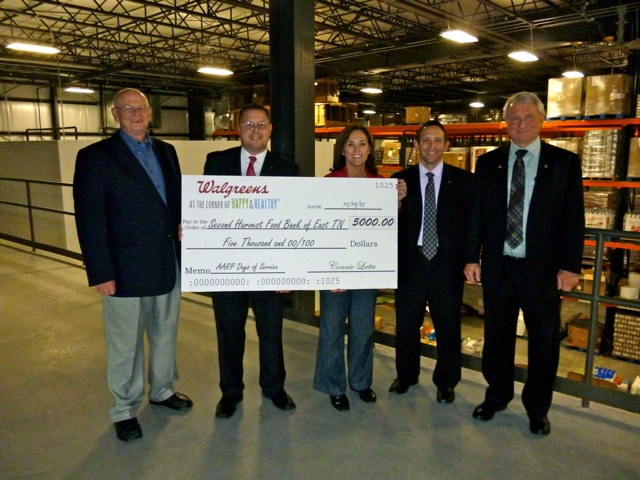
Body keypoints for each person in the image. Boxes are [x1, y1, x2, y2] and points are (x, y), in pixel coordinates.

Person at [73, 88, 192, 442]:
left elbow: (175, 203)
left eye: (141, 108)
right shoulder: (95, 157)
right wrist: (101, 272)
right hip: (123, 268)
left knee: (165, 332)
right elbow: (90, 219)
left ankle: (162, 390)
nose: (136, 113)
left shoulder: (167, 152)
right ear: (115, 114)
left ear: (151, 113)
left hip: (166, 261)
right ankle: (124, 408)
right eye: (128, 108)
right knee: (126, 343)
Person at [464, 92, 584, 436]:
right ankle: (497, 396)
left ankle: (537, 408)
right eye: (514, 118)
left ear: (541, 120)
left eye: (528, 117)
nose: (521, 124)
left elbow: (574, 218)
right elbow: (477, 215)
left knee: (543, 341)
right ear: (506, 123)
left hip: (543, 270)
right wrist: (473, 256)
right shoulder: (489, 162)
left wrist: (571, 266)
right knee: (496, 337)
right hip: (499, 267)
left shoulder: (563, 163)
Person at [203, 103, 299, 418]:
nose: (255, 130)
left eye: (261, 124)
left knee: (271, 333)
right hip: (227, 268)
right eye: (248, 124)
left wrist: (288, 273)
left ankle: (274, 388)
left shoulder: (287, 169)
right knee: (229, 333)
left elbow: (294, 223)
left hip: (269, 270)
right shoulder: (216, 162)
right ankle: (230, 392)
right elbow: (206, 212)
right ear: (238, 128)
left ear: (270, 129)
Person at [313, 125, 407, 411]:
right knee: (330, 328)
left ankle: (361, 382)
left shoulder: (381, 184)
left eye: (362, 144)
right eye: (350, 144)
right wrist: (328, 269)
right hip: (334, 268)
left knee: (364, 328)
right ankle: (334, 385)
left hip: (367, 268)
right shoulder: (328, 182)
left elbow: (387, 230)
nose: (356, 150)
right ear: (342, 149)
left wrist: (398, 201)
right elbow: (318, 227)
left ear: (370, 149)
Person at [389, 120, 473, 404]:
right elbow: (385, 223)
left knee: (448, 325)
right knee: (406, 323)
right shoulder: (400, 181)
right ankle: (406, 376)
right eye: (426, 140)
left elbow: (473, 225)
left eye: (438, 141)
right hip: (410, 262)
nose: (432, 146)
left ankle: (446, 382)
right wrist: (396, 203)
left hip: (446, 264)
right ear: (416, 144)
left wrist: (470, 260)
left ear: (447, 146)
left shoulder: (463, 182)